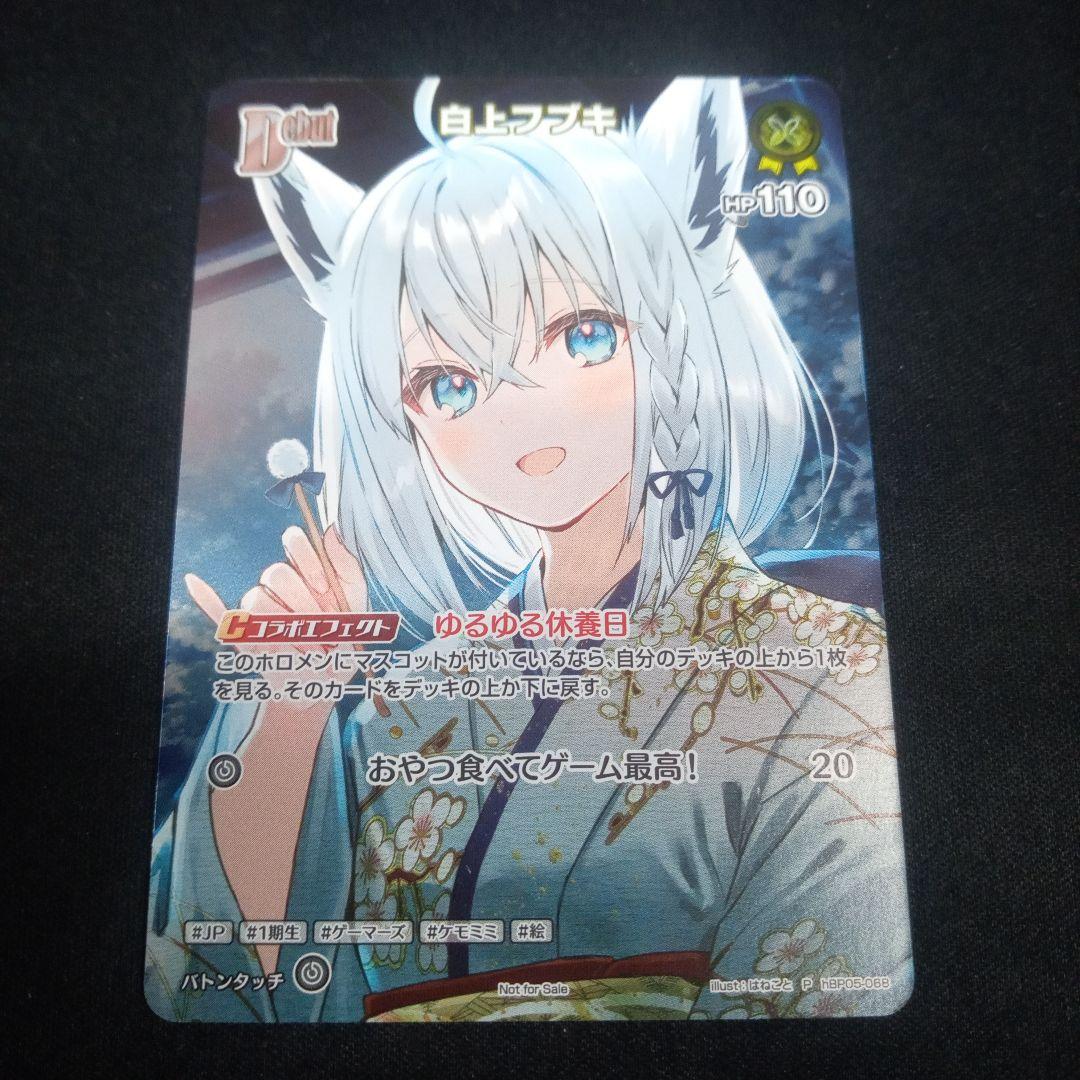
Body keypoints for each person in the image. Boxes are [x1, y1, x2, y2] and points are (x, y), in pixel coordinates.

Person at [146, 77, 912, 1022]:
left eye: (584, 336)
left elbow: (834, 982)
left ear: (679, 327)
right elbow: (233, 988)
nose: (518, 413)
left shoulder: (830, 670)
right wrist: (290, 710)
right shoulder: (401, 707)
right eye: (447, 385)